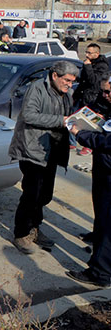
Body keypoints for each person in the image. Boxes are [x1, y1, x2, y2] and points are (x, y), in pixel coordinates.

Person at [8, 61, 77, 254]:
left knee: (45, 194)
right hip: (33, 150)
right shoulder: (37, 88)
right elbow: (29, 116)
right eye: (67, 80)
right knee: (31, 194)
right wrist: (60, 121)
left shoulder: (65, 93)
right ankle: (21, 233)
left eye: (72, 81)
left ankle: (35, 228)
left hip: (52, 150)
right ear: (55, 76)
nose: (70, 84)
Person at [67, 78, 111, 288]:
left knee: (108, 225)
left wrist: (79, 134)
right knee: (102, 218)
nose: (106, 96)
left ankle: (99, 273)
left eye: (109, 93)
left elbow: (105, 143)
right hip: (104, 172)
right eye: (104, 92)